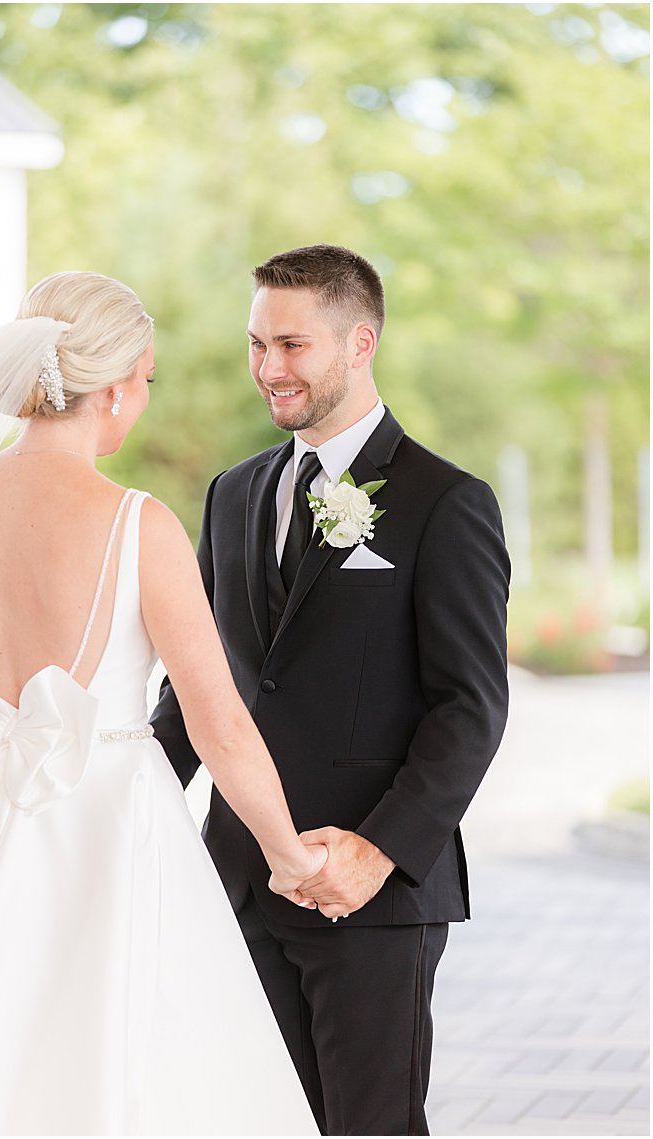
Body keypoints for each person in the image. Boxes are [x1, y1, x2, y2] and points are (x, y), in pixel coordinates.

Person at [0, 271, 326, 1135]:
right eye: (150, 378)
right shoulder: (136, 520)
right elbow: (219, 722)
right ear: (118, 385)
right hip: (109, 838)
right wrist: (289, 855)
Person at [150, 244, 511, 1135]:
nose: (268, 368)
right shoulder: (233, 495)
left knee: (370, 1124)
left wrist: (376, 851)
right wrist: (129, 805)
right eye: (256, 344)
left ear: (361, 343)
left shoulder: (445, 501)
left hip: (372, 895)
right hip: (239, 876)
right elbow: (205, 687)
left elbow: (471, 706)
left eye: (292, 345)